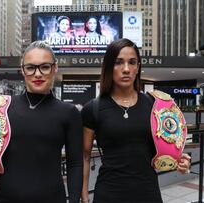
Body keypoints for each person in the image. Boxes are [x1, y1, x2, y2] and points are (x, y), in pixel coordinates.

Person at [0, 41, 83, 203]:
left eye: (45, 67)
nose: (38, 74)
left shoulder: (69, 113)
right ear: (22, 70)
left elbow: (75, 163)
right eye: (31, 67)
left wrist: (75, 200)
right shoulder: (1, 107)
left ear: (55, 68)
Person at [81, 38, 191, 203]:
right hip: (109, 193)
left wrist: (180, 160)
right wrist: (83, 196)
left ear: (138, 67)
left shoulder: (154, 105)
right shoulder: (93, 109)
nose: (126, 69)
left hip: (147, 192)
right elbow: (85, 156)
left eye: (132, 62)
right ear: (109, 66)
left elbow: (166, 145)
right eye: (118, 62)